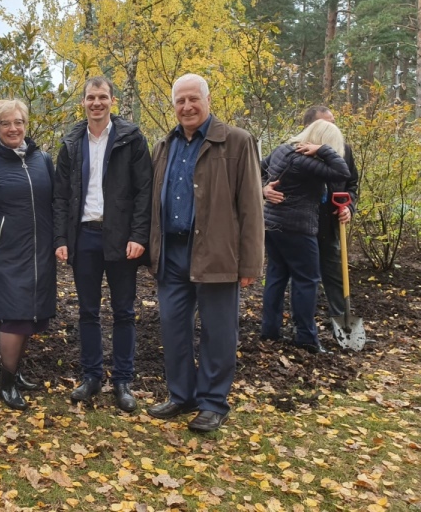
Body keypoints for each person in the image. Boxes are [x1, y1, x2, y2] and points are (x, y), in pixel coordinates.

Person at [148, 73, 264, 433]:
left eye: (192, 99)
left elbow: (251, 206)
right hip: (172, 252)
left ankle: (214, 402)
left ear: (207, 100)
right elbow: (153, 203)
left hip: (216, 253)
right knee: (173, 328)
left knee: (218, 331)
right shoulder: (164, 146)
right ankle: (182, 396)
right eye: (180, 101)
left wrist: (250, 262)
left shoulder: (236, 142)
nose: (186, 107)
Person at [53, 77, 152, 413]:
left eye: (102, 97)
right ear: (82, 102)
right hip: (84, 237)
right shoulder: (71, 142)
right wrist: (61, 238)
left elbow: (144, 192)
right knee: (88, 311)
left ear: (113, 101)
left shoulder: (131, 138)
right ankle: (92, 376)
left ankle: (123, 380)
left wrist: (139, 235)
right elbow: (61, 196)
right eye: (90, 97)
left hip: (122, 238)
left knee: (124, 311)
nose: (96, 103)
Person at [0, 99, 56, 410]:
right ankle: (6, 382)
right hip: (4, 252)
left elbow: (54, 201)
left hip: (39, 251)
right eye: (5, 123)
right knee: (13, 316)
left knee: (31, 314)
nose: (13, 128)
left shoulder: (42, 160)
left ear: (26, 125)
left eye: (18, 122)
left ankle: (16, 373)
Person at [260, 120, 350, 353]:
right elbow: (342, 171)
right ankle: (306, 337)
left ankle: (270, 330)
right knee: (307, 280)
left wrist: (263, 188)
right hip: (297, 228)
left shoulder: (283, 149)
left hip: (271, 224)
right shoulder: (306, 161)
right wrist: (323, 151)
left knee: (277, 275)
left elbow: (258, 168)